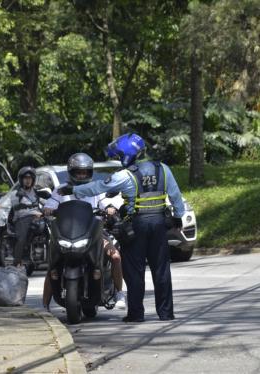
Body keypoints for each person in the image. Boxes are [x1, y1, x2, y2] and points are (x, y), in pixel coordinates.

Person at [58, 133, 185, 323]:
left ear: (127, 155)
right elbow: (175, 196)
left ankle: (136, 314)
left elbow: (98, 187)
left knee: (134, 271)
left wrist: (73, 190)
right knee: (161, 270)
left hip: (136, 226)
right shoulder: (163, 169)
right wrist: (177, 216)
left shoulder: (126, 175)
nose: (118, 159)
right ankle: (166, 313)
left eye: (119, 156)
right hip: (159, 224)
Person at [42, 153, 127, 311]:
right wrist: (48, 209)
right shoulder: (60, 190)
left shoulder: (96, 188)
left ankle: (120, 293)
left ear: (90, 173)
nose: (81, 175)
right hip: (65, 234)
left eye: (85, 172)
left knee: (115, 256)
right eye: (78, 172)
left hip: (94, 233)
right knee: (52, 264)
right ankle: (44, 306)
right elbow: (51, 203)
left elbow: (106, 202)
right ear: (71, 172)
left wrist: (110, 209)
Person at [10, 166, 42, 268]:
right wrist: (32, 213)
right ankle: (17, 262)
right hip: (21, 219)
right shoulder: (16, 193)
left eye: (30, 178)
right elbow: (17, 209)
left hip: (37, 218)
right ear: (21, 179)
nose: (28, 181)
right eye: (25, 178)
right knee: (22, 238)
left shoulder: (36, 192)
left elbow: (45, 203)